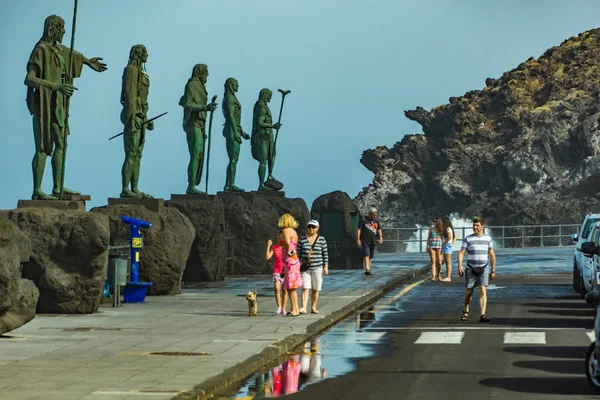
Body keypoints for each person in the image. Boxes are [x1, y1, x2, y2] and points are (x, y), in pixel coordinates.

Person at [25, 15, 107, 200]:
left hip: (58, 106)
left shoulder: (58, 50)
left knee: (61, 144)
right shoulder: (40, 50)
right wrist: (56, 86)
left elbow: (72, 54)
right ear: (54, 28)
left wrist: (88, 62)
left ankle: (57, 187)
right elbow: (29, 79)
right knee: (43, 147)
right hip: (44, 106)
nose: (64, 32)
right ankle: (37, 190)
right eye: (61, 29)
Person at [120, 44, 154, 198]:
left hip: (141, 116)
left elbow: (143, 99)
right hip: (133, 116)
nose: (147, 54)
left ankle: (135, 188)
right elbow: (129, 96)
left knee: (138, 154)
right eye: (145, 52)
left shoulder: (142, 72)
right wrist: (133, 116)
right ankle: (125, 188)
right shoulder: (131, 70)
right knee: (131, 152)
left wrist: (146, 118)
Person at [179, 63, 218, 194]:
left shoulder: (201, 86)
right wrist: (204, 108)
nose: (207, 76)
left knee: (199, 154)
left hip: (201, 124)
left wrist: (208, 107)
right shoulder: (191, 85)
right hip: (193, 123)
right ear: (199, 73)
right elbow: (188, 104)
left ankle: (193, 184)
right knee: (195, 154)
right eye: (205, 73)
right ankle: (191, 186)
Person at [457, 216, 496, 322]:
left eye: (477, 225)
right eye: (474, 225)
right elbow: (461, 253)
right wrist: (460, 265)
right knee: (469, 291)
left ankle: (483, 314)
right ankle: (465, 311)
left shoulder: (488, 239)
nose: (475, 227)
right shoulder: (468, 238)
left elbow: (492, 255)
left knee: (483, 290)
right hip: (470, 268)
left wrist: (493, 270)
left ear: (482, 226)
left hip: (484, 268)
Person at [222, 77, 250, 191]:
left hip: (235, 129)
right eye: (236, 84)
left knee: (234, 159)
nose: (238, 86)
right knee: (233, 158)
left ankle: (229, 184)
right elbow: (231, 116)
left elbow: (236, 119)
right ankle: (230, 184)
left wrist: (241, 132)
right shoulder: (229, 98)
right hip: (231, 129)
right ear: (231, 85)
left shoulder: (232, 97)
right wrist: (236, 132)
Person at [251, 88, 282, 191]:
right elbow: (260, 122)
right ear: (265, 95)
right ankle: (261, 184)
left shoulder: (265, 107)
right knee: (263, 159)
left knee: (272, 154)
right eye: (270, 95)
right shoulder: (261, 108)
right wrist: (272, 126)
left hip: (268, 135)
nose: (271, 98)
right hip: (262, 136)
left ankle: (270, 175)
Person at [297, 220, 329, 314]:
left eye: (313, 227)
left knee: (315, 288)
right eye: (309, 226)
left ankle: (313, 307)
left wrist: (325, 266)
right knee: (305, 287)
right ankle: (303, 307)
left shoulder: (322, 239)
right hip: (305, 268)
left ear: (317, 228)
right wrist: (298, 264)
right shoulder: (302, 239)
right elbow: (298, 253)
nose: (311, 228)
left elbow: (325, 254)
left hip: (317, 267)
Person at [278, 213, 302, 316]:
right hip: (295, 260)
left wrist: (288, 251)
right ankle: (295, 309)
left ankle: (294, 310)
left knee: (290, 286)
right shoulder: (294, 232)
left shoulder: (285, 231)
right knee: (293, 287)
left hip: (289, 261)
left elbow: (287, 243)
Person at [266, 231, 287, 314]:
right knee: (276, 288)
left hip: (285, 271)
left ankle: (284, 308)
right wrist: (268, 246)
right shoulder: (275, 247)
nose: (280, 239)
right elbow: (268, 257)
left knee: (285, 290)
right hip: (277, 271)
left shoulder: (287, 248)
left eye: (282, 238)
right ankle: (279, 306)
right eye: (279, 238)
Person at [357, 207, 383, 275]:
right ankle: (367, 270)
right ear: (370, 213)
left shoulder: (376, 221)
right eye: (374, 214)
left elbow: (379, 230)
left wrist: (381, 238)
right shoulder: (363, 220)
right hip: (365, 240)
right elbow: (359, 230)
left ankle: (368, 268)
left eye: (376, 214)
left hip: (373, 241)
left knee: (370, 256)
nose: (375, 216)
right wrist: (358, 239)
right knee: (366, 254)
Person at [440, 216, 457, 282]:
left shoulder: (447, 229)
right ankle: (447, 276)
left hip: (447, 246)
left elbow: (449, 237)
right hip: (448, 245)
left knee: (448, 262)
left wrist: (444, 243)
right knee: (447, 262)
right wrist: (451, 244)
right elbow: (454, 236)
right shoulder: (449, 228)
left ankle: (448, 277)